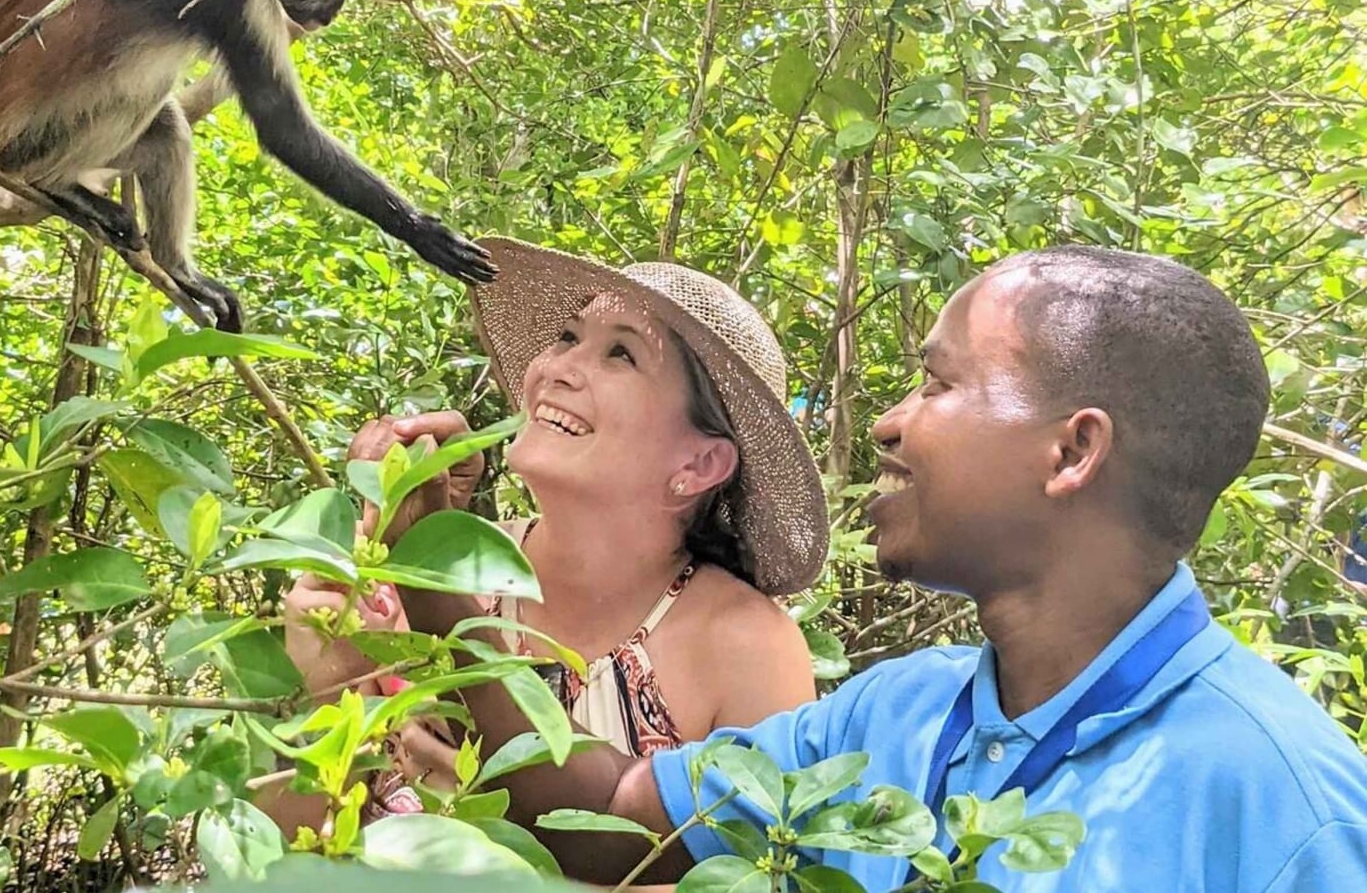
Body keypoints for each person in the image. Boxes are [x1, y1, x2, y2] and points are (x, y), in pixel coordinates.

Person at [391, 246, 1367, 891]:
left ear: (1072, 452)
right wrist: (437, 592)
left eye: (940, 382)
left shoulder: (1285, 803)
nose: (894, 420)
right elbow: (612, 816)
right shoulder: (889, 715)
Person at [265, 236, 829, 832]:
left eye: (621, 355)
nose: (558, 369)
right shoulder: (431, 570)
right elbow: (282, 852)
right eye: (568, 337)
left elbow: (767, 867)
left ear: (698, 466)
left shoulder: (744, 646)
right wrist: (328, 683)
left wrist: (490, 820)